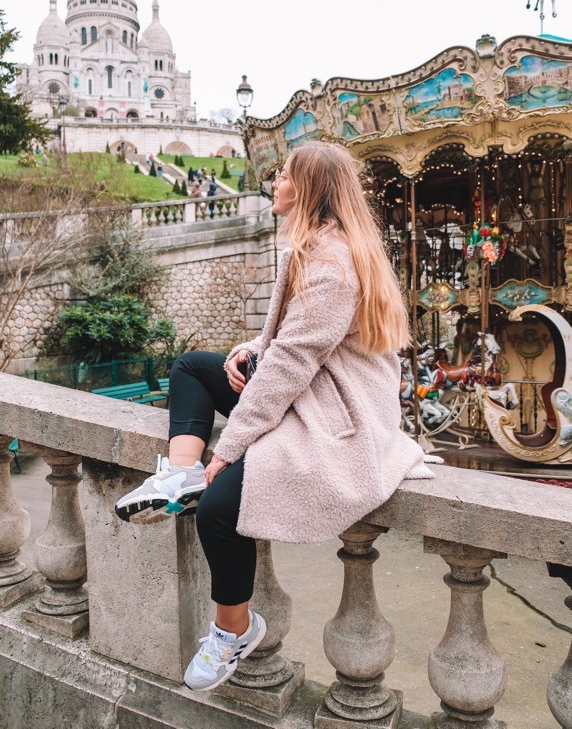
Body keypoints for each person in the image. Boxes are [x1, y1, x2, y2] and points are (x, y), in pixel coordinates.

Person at [114, 141, 437, 693]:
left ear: (306, 189)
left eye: (283, 177)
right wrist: (249, 350)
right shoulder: (321, 247)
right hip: (308, 386)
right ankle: (177, 474)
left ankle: (233, 630)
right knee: (192, 367)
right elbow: (295, 341)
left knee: (218, 509)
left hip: (333, 413)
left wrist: (229, 448)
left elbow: (293, 363)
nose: (274, 185)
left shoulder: (331, 263)